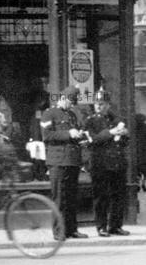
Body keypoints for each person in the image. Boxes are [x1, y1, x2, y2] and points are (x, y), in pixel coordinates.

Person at [40, 85, 88, 239]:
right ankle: (59, 231)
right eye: (70, 101)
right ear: (62, 98)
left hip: (72, 161)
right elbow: (47, 136)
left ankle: (72, 229)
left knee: (72, 198)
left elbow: (75, 135)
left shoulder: (72, 115)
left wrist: (80, 137)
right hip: (58, 161)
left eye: (73, 102)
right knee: (59, 198)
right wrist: (68, 133)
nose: (71, 105)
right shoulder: (49, 113)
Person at [85, 92, 130, 236]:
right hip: (100, 164)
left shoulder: (116, 120)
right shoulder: (90, 121)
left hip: (116, 163)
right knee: (101, 197)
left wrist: (123, 134)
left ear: (108, 105)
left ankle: (116, 225)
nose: (99, 106)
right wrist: (110, 132)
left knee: (118, 195)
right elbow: (93, 140)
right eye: (97, 103)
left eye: (102, 103)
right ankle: (101, 226)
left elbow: (124, 142)